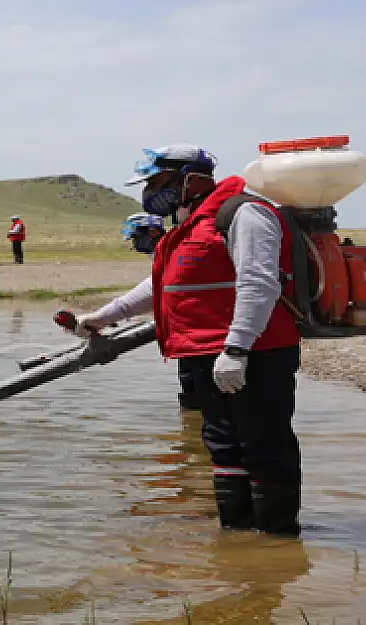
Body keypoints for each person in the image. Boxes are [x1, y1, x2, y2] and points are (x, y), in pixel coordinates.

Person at [70, 143, 303, 537]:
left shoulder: (244, 213)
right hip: (205, 355)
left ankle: (278, 537)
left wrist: (237, 347)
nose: (150, 192)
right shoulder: (190, 223)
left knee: (264, 445)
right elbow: (163, 283)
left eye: (159, 182)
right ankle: (243, 543)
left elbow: (259, 283)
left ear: (192, 179)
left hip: (255, 353)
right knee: (222, 446)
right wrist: (105, 315)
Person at [120, 212, 199, 411]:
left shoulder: (174, 251)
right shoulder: (164, 252)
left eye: (137, 237)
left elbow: (154, 289)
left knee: (200, 395)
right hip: (186, 336)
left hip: (197, 337)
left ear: (153, 232)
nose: (135, 244)